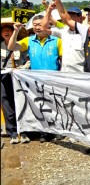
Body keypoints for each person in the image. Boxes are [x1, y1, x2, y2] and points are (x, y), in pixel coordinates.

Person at [8, 15, 63, 143]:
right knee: (41, 105)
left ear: (47, 25)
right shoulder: (29, 40)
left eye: (40, 24)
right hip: (35, 80)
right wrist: (15, 31)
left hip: (54, 79)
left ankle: (57, 130)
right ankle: (44, 132)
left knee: (55, 105)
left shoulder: (57, 41)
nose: (37, 27)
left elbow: (63, 60)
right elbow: (11, 47)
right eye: (35, 24)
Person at [42, 0, 88, 73]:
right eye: (69, 15)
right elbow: (44, 27)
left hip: (81, 73)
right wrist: (49, 9)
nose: (70, 17)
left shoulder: (86, 31)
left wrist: (58, 2)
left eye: (73, 15)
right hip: (65, 73)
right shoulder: (63, 30)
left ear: (80, 18)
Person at [1, 19, 28, 144]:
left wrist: (23, 68)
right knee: (7, 104)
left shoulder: (20, 45)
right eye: (4, 31)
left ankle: (24, 132)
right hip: (3, 78)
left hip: (18, 77)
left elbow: (28, 60)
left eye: (9, 30)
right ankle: (12, 132)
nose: (6, 32)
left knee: (21, 103)